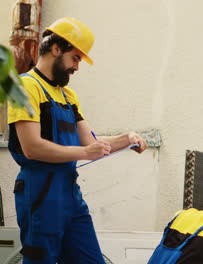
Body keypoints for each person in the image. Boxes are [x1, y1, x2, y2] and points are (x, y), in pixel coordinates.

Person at [7, 17, 148, 263]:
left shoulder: (68, 95)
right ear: (56, 49)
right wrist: (85, 152)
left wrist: (127, 138)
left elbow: (89, 141)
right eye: (76, 58)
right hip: (39, 194)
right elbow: (31, 148)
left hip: (70, 195)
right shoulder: (24, 88)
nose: (77, 67)